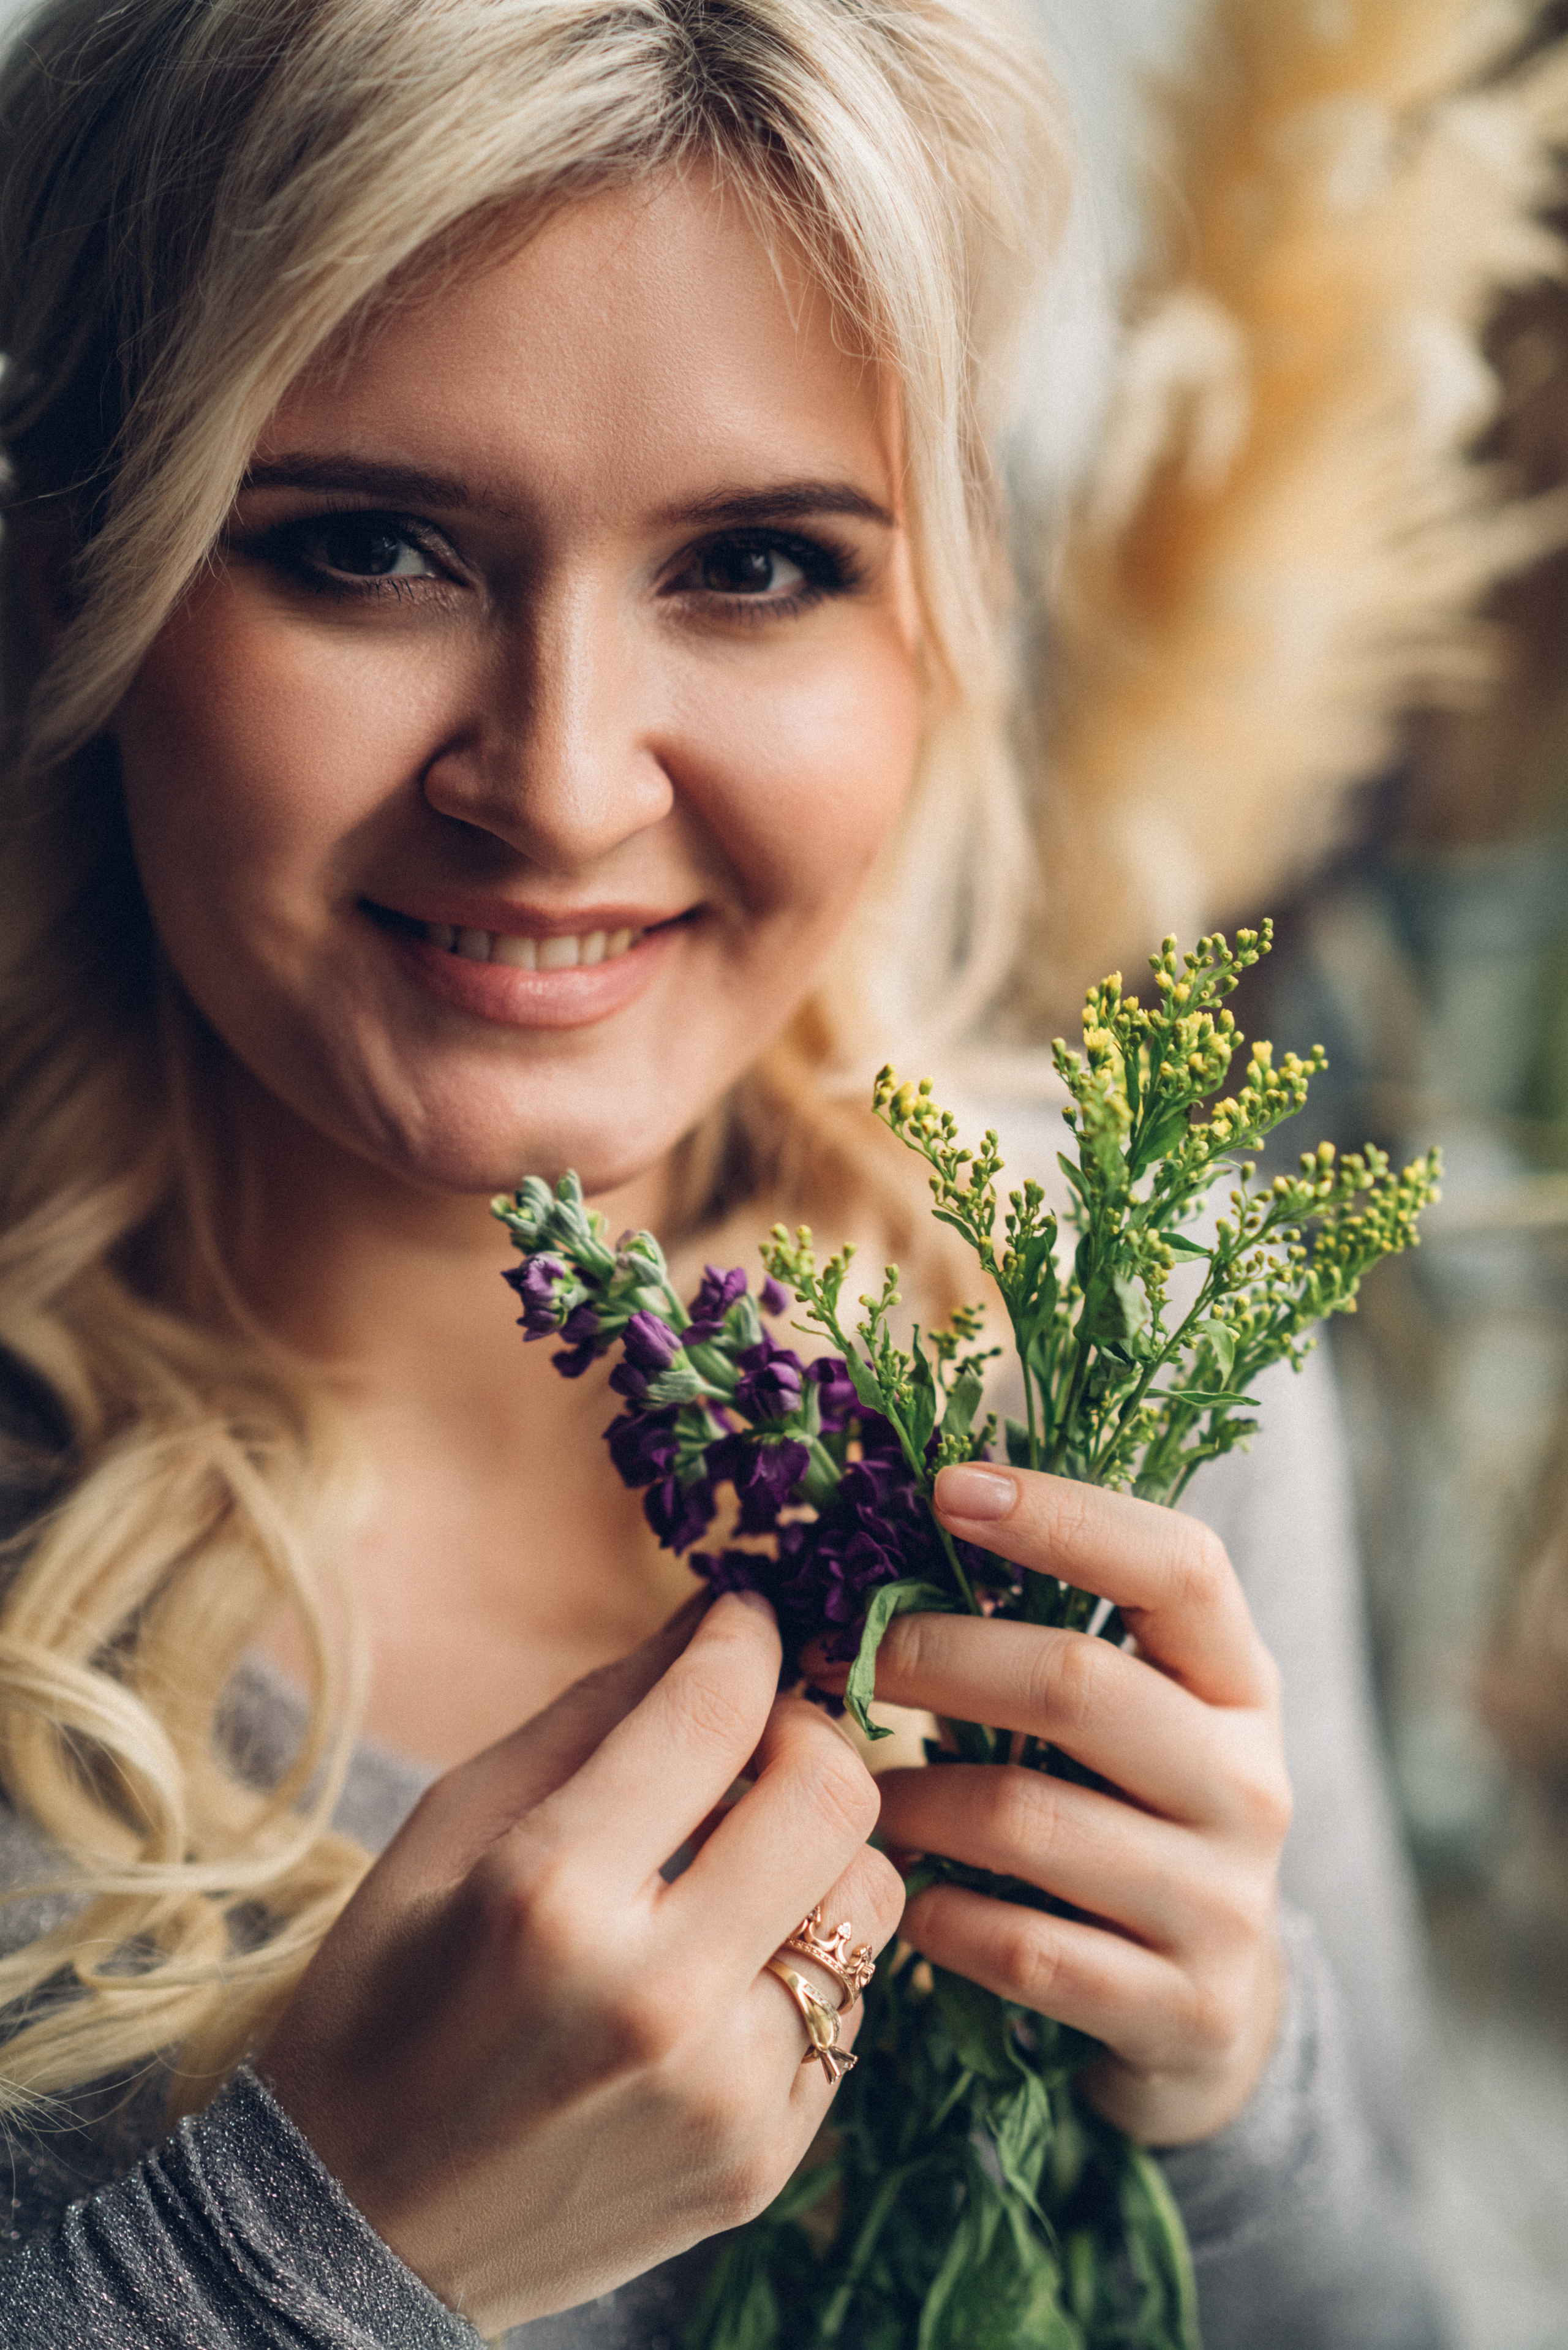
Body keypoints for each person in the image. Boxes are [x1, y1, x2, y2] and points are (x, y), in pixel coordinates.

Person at [0, 0, 1439, 2342]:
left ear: (938, 626)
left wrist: (1233, 2096)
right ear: (82, 578)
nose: (561, 784)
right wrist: (292, 2260)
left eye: (756, 564)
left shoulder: (1114, 1368)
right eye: (368, 547)